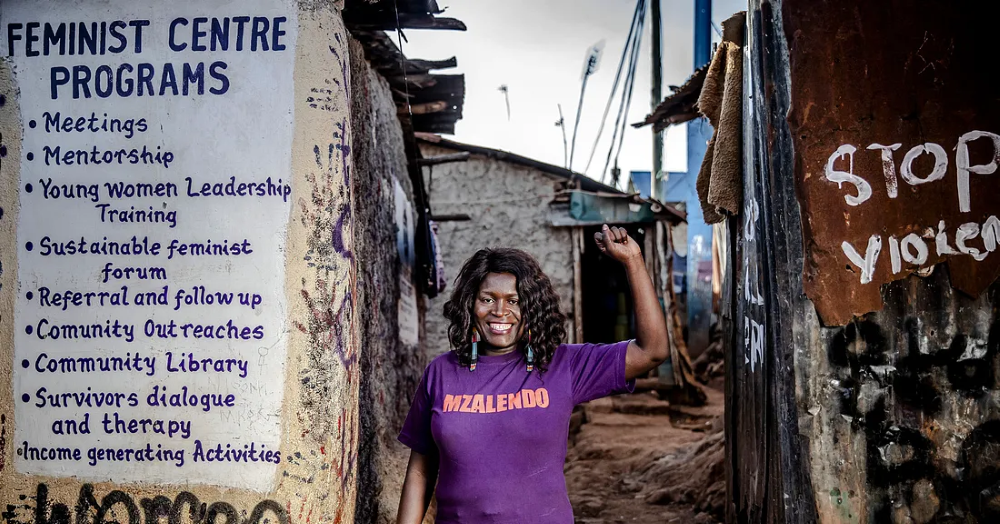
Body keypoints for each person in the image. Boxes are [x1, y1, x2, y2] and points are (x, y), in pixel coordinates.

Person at [395, 225, 669, 524]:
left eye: (514, 300)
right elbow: (421, 468)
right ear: (470, 305)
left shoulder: (562, 365)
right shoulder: (442, 372)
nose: (500, 311)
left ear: (532, 307)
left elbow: (652, 351)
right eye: (487, 299)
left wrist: (634, 261)